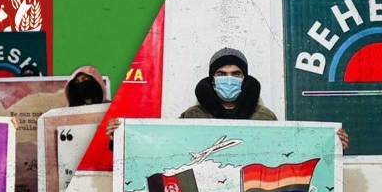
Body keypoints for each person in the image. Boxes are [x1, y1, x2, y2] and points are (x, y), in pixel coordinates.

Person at [106, 48, 350, 149]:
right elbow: (164, 146)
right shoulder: (192, 116)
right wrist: (121, 138)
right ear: (212, 79)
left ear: (245, 79)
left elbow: (288, 149)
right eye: (221, 74)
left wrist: (329, 143)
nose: (228, 78)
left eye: (236, 74)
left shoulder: (264, 117)